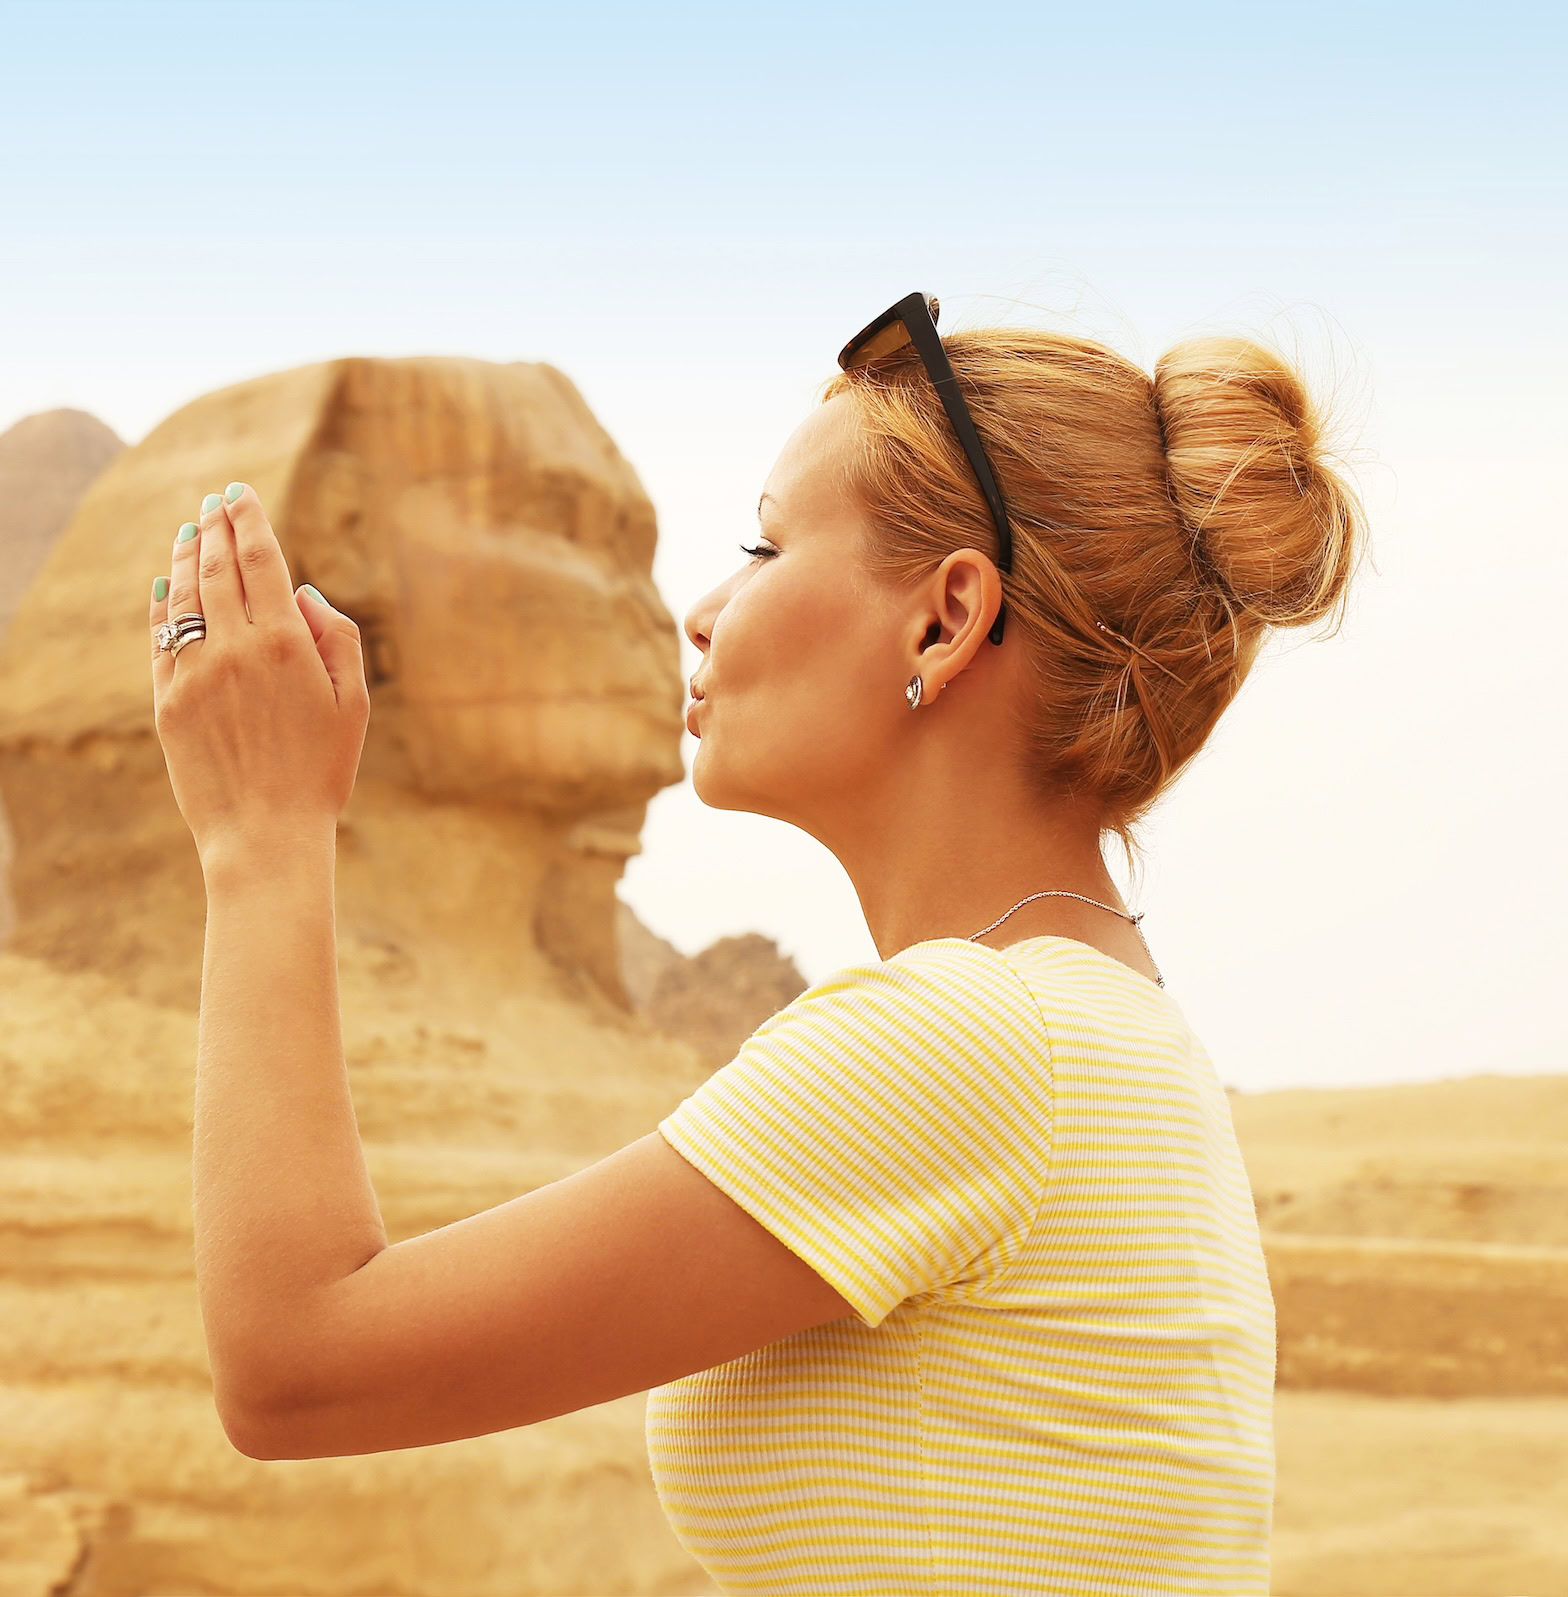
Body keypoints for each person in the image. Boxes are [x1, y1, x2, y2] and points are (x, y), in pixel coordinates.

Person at [150, 293, 1366, 1597]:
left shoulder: (968, 1039)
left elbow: (295, 1365)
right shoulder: (1104, 1027)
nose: (704, 610)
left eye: (765, 544)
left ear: (947, 619)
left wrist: (263, 834)